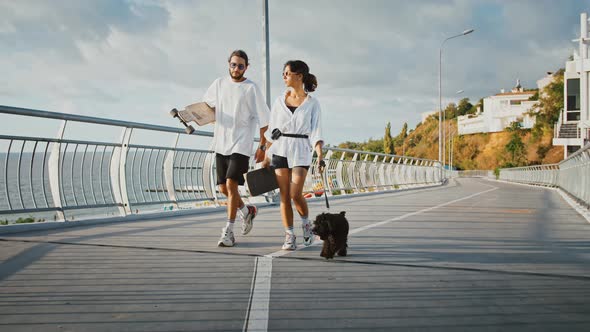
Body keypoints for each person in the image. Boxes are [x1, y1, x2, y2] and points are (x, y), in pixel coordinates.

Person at [203, 50, 270, 247]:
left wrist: (263, 146)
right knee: (223, 188)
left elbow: (264, 120)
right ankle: (246, 211)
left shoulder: (251, 88)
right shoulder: (219, 84)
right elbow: (207, 107)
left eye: (241, 66)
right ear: (228, 65)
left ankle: (228, 231)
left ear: (246, 67)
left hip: (241, 145)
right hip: (221, 143)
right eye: (233, 65)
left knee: (232, 185)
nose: (236, 69)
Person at [262, 60, 324, 250]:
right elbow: (272, 129)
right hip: (280, 149)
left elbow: (316, 131)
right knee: (284, 195)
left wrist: (320, 155)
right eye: (284, 73)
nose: (284, 76)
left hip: (301, 150)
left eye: (287, 73)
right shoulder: (279, 101)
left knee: (295, 193)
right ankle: (289, 235)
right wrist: (265, 155)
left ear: (299, 75)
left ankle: (306, 224)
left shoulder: (312, 103)